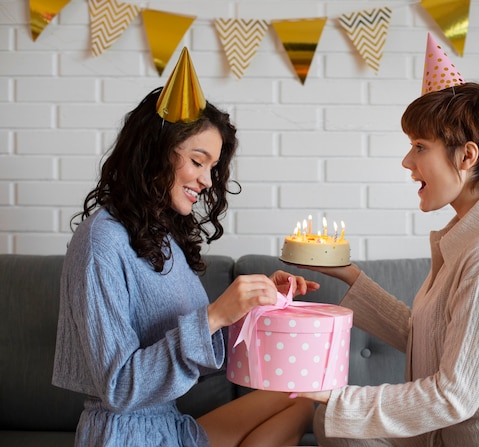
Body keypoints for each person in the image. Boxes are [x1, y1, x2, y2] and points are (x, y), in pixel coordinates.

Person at [52, 49, 317, 447]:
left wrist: (258, 307)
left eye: (213, 167)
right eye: (198, 161)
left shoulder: (161, 236)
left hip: (167, 425)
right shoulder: (99, 242)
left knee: (298, 401)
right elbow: (120, 387)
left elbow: (205, 354)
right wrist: (213, 315)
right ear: (156, 152)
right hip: (125, 434)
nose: (208, 180)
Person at [296, 82, 479, 446]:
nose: (408, 162)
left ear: (466, 157)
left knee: (335, 417)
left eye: (420, 147)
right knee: (334, 425)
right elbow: (429, 337)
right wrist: (349, 275)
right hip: (449, 436)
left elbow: (452, 395)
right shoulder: (469, 237)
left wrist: (335, 395)